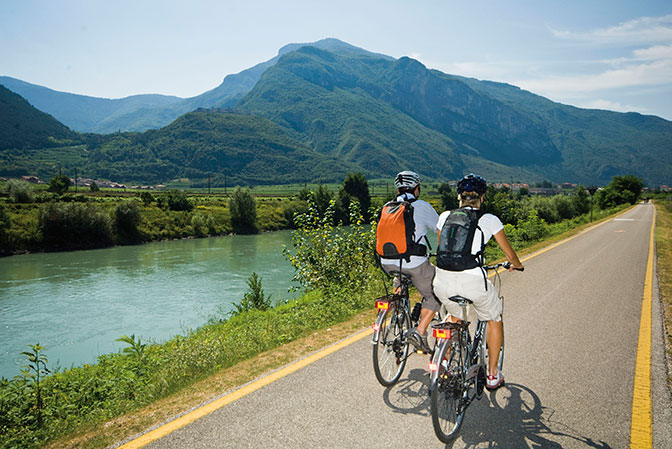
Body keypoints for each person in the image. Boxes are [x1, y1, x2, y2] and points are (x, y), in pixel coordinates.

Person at [433, 174, 523, 390]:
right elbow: (509, 255)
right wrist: (517, 265)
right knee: (494, 318)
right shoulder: (489, 220)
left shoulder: (445, 216)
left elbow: (442, 248)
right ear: (483, 197)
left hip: (442, 280)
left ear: (459, 197)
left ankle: (442, 362)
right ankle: (492, 375)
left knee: (453, 317)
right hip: (472, 280)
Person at [378, 170, 440, 354]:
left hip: (387, 263)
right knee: (434, 293)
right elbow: (440, 228)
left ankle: (398, 313)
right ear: (416, 188)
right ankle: (420, 332)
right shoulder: (421, 206)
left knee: (400, 278)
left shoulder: (388, 207)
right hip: (414, 262)